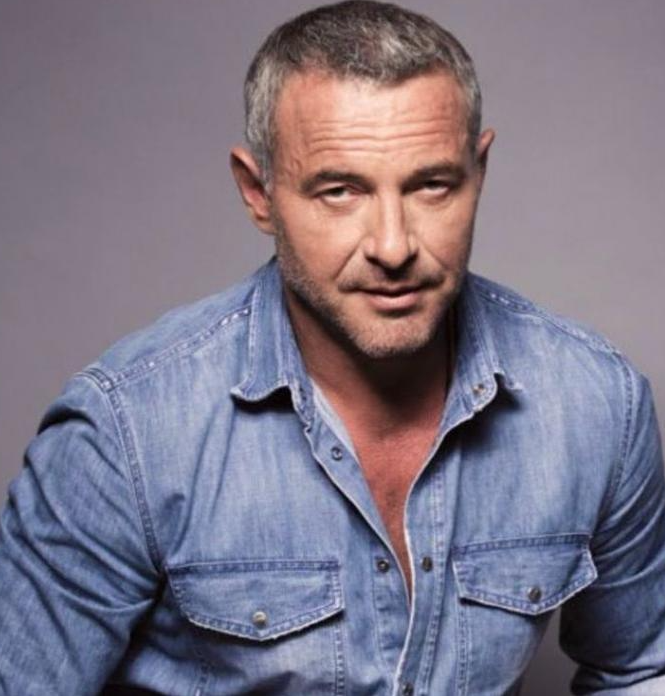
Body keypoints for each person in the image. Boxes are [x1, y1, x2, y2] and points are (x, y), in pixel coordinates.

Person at [1, 1, 664, 693]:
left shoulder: (595, 403)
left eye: (431, 185)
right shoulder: (127, 435)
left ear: (479, 171)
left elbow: (641, 668)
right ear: (258, 193)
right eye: (340, 191)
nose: (392, 247)